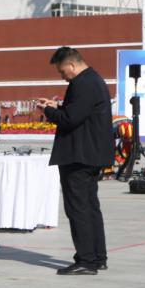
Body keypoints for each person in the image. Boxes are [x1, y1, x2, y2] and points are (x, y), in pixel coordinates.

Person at [37, 47, 114, 276]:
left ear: (72, 65)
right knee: (89, 207)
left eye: (62, 72)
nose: (62, 76)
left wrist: (48, 111)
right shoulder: (93, 80)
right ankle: (97, 257)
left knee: (78, 208)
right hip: (89, 154)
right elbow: (78, 113)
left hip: (79, 155)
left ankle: (86, 260)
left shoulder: (83, 83)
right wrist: (56, 107)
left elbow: (70, 119)